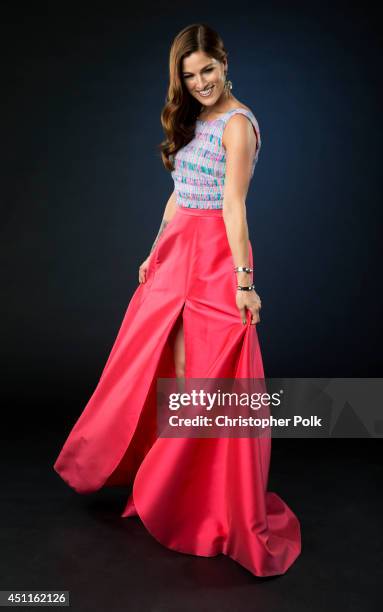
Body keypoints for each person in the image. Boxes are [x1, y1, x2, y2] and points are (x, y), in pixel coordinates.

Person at [53, 23, 301, 577]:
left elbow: (233, 207)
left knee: (213, 378)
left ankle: (205, 501)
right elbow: (177, 194)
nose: (201, 83)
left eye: (207, 70)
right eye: (189, 77)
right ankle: (168, 488)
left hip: (215, 258)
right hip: (176, 255)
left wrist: (244, 280)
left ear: (224, 61)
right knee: (171, 369)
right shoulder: (196, 120)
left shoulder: (238, 125)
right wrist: (153, 249)